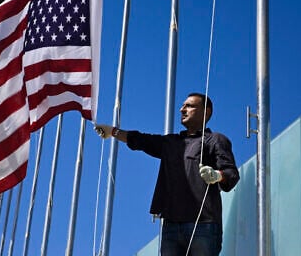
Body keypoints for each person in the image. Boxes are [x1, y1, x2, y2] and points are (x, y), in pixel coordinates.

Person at [95, 93, 239, 256]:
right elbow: (142, 140)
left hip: (203, 225)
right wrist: (113, 131)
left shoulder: (215, 140)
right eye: (183, 105)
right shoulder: (171, 143)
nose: (182, 109)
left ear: (206, 112)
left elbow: (231, 173)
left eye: (190, 106)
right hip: (171, 226)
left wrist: (217, 175)